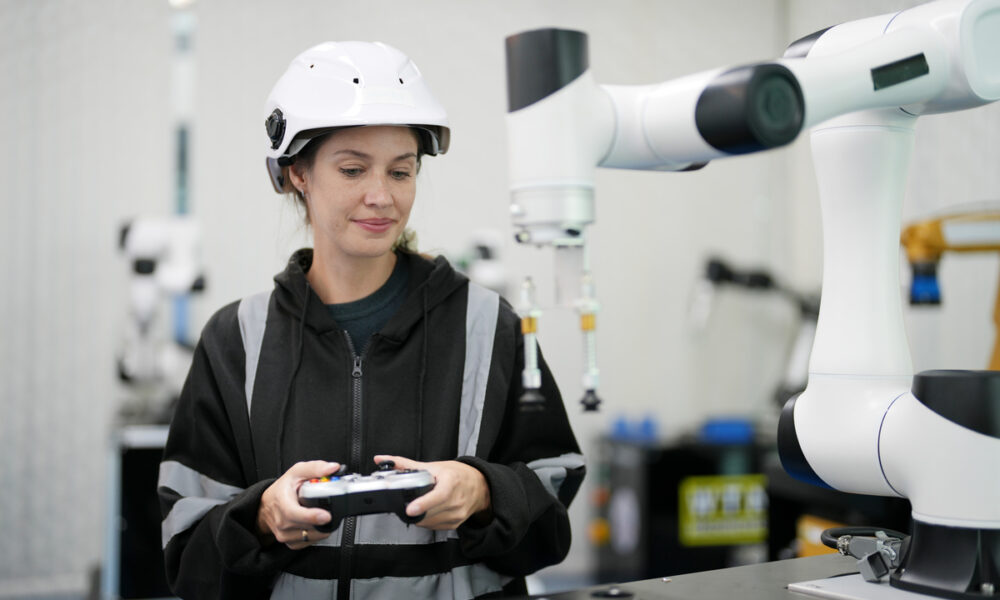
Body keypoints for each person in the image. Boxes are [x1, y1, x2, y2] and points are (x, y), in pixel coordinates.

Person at [157, 40, 585, 600]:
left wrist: (484, 492)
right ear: (297, 175)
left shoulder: (488, 325)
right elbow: (185, 548)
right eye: (354, 168)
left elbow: (551, 514)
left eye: (401, 172)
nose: (381, 196)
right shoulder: (236, 339)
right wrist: (261, 516)